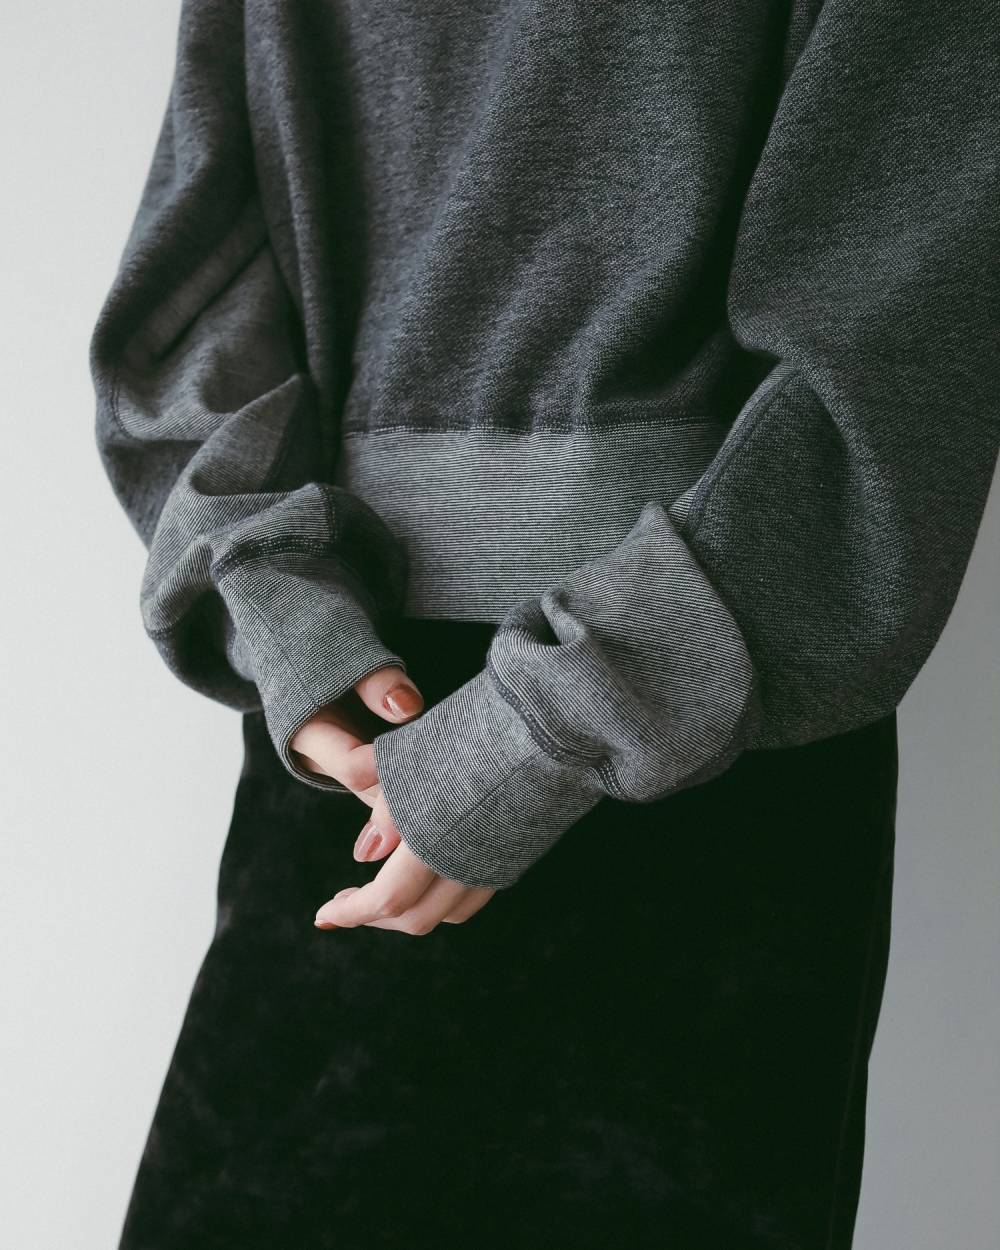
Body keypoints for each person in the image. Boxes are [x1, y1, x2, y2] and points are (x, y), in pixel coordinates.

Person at [89, 0, 999, 1246]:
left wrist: (545, 720)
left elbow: (892, 358)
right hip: (369, 730)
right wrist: (285, 615)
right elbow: (198, 295)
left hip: (696, 735)